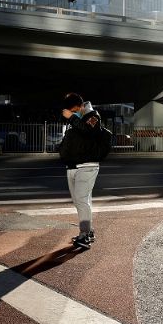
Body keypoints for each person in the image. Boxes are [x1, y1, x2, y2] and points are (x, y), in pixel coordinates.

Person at [59, 93, 105, 250]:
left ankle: (85, 235)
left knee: (82, 200)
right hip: (72, 166)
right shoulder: (75, 120)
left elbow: (88, 132)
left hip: (87, 165)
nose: (72, 114)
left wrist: (72, 118)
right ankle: (88, 231)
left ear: (80, 106)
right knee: (81, 201)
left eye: (73, 111)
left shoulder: (93, 116)